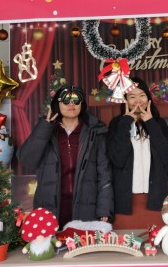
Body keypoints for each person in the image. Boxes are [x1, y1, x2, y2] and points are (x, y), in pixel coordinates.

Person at [17, 85, 113, 226]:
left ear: (82, 104)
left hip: (86, 207)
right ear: (57, 105)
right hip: (50, 207)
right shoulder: (47, 130)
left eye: (76, 100)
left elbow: (104, 173)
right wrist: (44, 127)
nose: (71, 104)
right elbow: (27, 160)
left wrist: (104, 209)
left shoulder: (96, 132)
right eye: (66, 100)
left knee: (82, 240)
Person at [107, 77, 168, 229]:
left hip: (154, 200)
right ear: (125, 100)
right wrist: (126, 122)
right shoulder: (117, 124)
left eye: (142, 95)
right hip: (126, 202)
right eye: (132, 96)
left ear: (149, 98)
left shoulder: (159, 123)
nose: (138, 100)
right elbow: (117, 159)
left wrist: (150, 122)